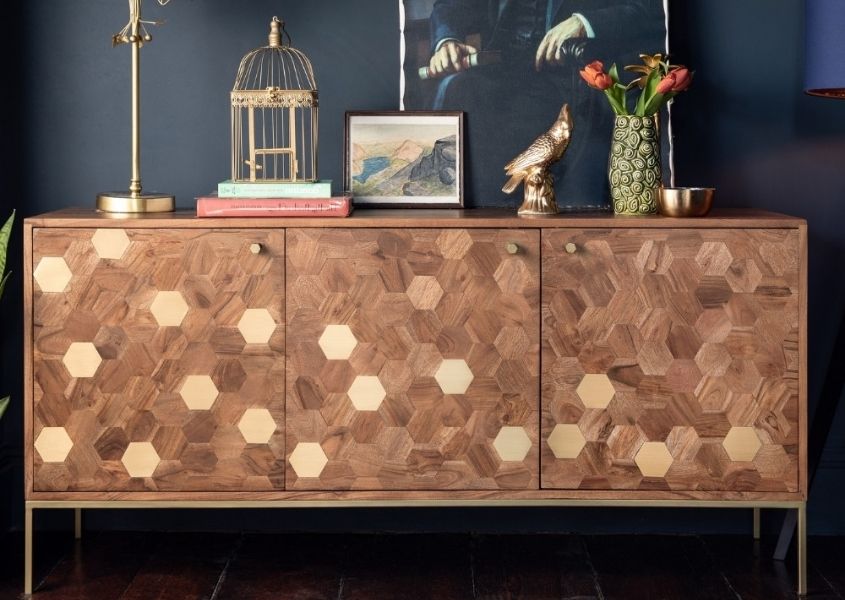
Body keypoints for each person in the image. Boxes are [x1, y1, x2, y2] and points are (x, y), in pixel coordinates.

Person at [423, 0, 665, 208]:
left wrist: (585, 23)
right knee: (458, 89)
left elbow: (655, 10)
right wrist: (447, 40)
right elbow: (452, 5)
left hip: (576, 82)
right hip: (504, 73)